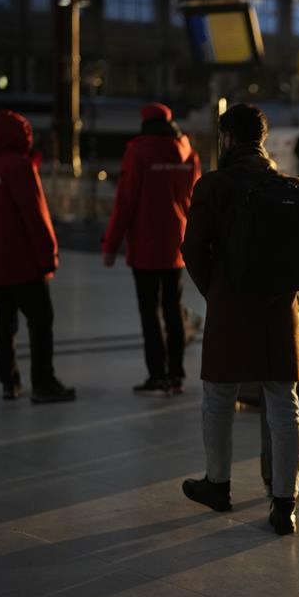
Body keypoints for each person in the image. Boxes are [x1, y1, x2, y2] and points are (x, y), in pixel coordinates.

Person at [180, 103, 299, 535]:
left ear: (227, 138)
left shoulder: (214, 186)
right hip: (278, 314)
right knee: (285, 406)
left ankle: (218, 484)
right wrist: (285, 283)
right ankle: (284, 506)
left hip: (230, 307)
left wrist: (217, 290)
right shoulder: (292, 187)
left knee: (219, 398)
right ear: (262, 140)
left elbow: (191, 249)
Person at [0, 109, 76, 404]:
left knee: (5, 325)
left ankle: (10, 382)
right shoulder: (20, 168)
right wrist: (49, 257)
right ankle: (43, 383)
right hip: (25, 265)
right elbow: (36, 217)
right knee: (41, 320)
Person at [101, 103, 201, 396]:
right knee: (172, 309)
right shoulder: (187, 152)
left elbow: (125, 202)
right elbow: (194, 200)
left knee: (150, 311)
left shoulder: (138, 152)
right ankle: (176, 375)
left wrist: (111, 245)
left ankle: (157, 375)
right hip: (176, 244)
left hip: (146, 244)